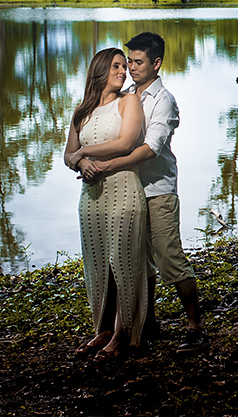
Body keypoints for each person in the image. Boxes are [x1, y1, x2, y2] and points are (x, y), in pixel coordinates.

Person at [78, 32, 208, 353]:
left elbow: (150, 149)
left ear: (156, 63)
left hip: (157, 190)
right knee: (135, 261)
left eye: (137, 62)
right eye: (129, 61)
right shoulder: (125, 95)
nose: (130, 68)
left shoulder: (164, 101)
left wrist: (105, 164)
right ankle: (147, 324)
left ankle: (196, 328)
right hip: (126, 192)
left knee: (168, 258)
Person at [64, 48, 149, 361]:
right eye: (116, 66)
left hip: (125, 191)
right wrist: (80, 161)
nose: (123, 72)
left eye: (124, 67)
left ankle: (125, 332)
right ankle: (102, 329)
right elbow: (68, 154)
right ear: (99, 69)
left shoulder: (129, 102)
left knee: (125, 264)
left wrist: (84, 154)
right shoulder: (81, 112)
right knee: (97, 266)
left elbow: (127, 143)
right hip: (91, 198)